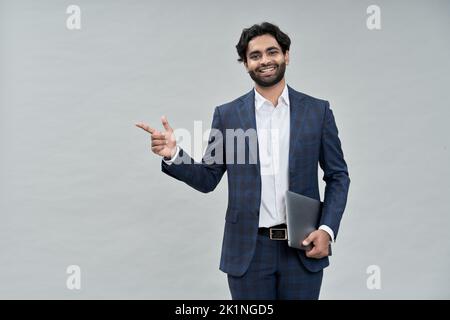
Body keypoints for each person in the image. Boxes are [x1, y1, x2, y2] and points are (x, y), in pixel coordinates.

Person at [135, 22, 350, 300]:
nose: (265, 60)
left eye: (272, 52)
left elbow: (338, 176)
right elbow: (208, 178)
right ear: (246, 64)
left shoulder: (317, 111)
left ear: (286, 55)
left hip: (303, 247)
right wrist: (174, 154)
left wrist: (327, 229)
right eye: (255, 55)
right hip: (249, 252)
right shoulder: (228, 116)